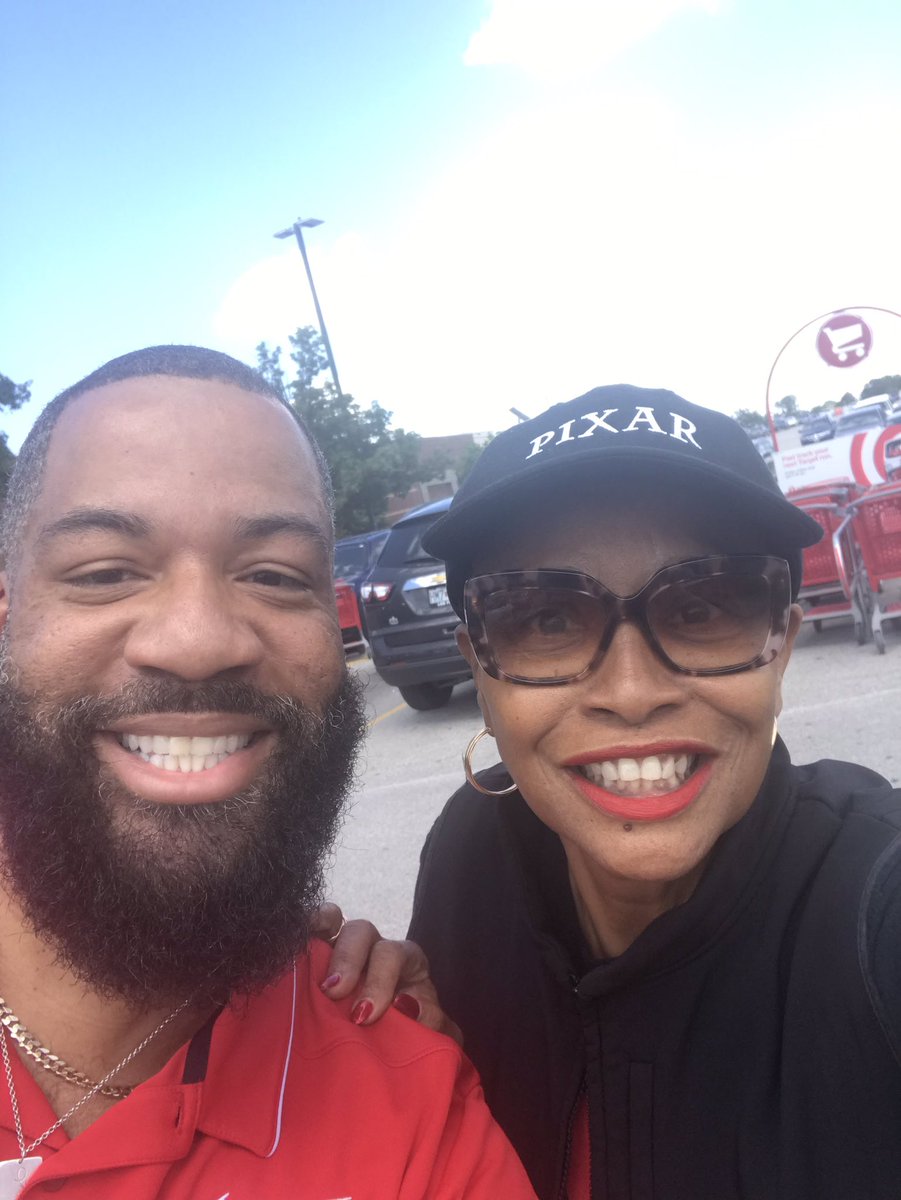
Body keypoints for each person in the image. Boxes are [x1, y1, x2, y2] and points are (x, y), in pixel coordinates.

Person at [330, 384, 901, 1199]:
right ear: (479, 669)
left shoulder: (870, 903)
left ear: (779, 646)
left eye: (700, 606)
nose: (631, 693)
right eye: (548, 620)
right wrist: (420, 1068)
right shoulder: (476, 849)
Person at [0, 345, 536, 1199]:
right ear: (8, 612)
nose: (200, 640)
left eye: (273, 576)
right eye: (106, 573)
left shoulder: (410, 1114)